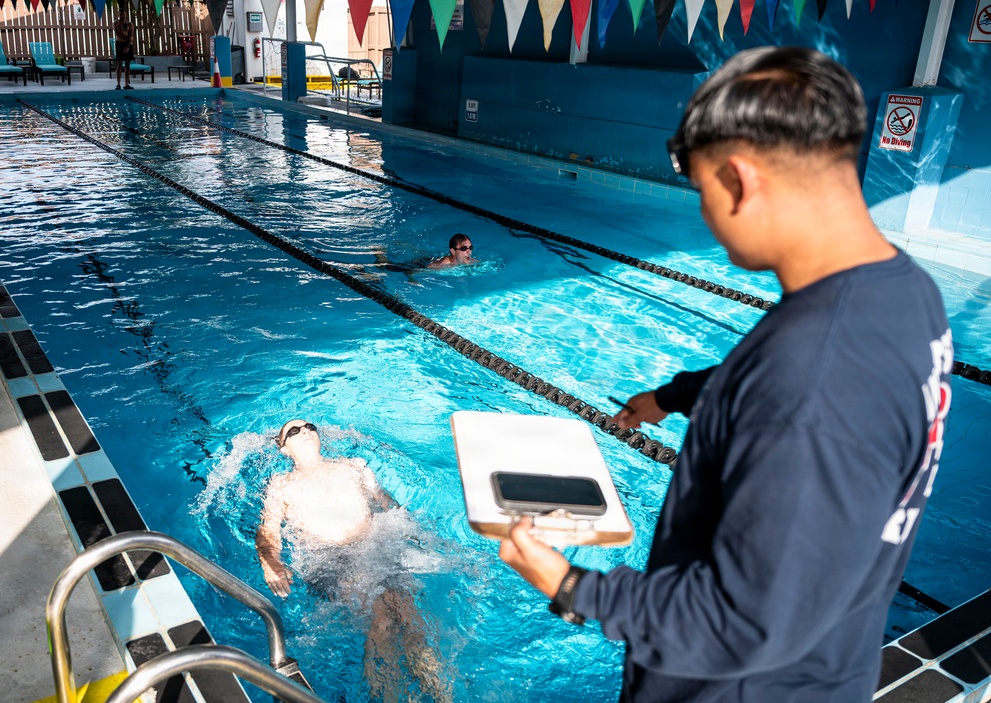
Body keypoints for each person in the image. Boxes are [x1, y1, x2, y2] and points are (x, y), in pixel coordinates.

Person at [499, 46, 953, 703]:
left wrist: (572, 587)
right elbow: (787, 387)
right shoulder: (904, 291)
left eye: (704, 191)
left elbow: (741, 620)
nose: (707, 218)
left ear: (741, 180)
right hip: (827, 670)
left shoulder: (814, 376)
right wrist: (673, 395)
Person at [257, 419, 452, 701]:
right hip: (330, 559)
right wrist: (270, 563)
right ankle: (389, 696)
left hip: (374, 546)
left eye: (310, 426)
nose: (306, 432)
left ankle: (441, 693)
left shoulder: (352, 466)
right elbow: (267, 531)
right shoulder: (281, 485)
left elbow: (387, 504)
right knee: (382, 620)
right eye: (294, 431)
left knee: (411, 618)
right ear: (284, 448)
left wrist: (415, 535)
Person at [113, 9, 136, 90]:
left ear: (125, 14)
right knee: (119, 64)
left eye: (123, 14)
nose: (122, 15)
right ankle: (118, 84)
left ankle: (126, 84)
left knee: (127, 65)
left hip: (127, 44)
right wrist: (129, 38)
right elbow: (118, 33)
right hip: (119, 44)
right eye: (120, 14)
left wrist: (128, 46)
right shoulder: (116, 23)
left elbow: (131, 34)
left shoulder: (130, 24)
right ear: (118, 14)